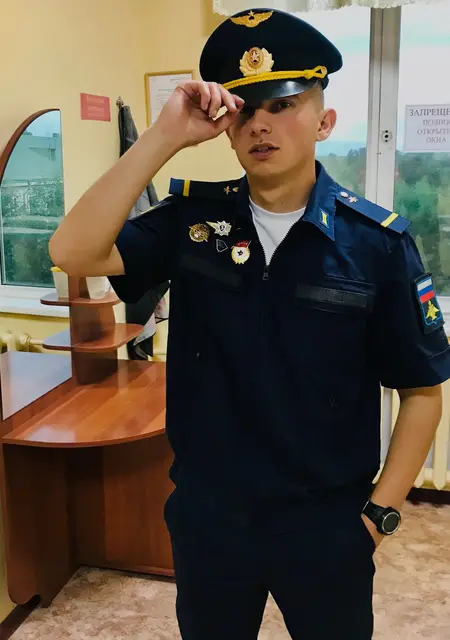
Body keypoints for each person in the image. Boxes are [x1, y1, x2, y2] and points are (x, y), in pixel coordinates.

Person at [49, 8, 450, 640]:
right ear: (227, 129)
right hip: (211, 522)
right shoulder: (191, 223)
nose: (260, 123)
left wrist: (378, 516)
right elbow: (72, 251)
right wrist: (162, 138)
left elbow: (423, 391)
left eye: (283, 104)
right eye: (245, 110)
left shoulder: (376, 245)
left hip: (325, 525)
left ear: (324, 121)